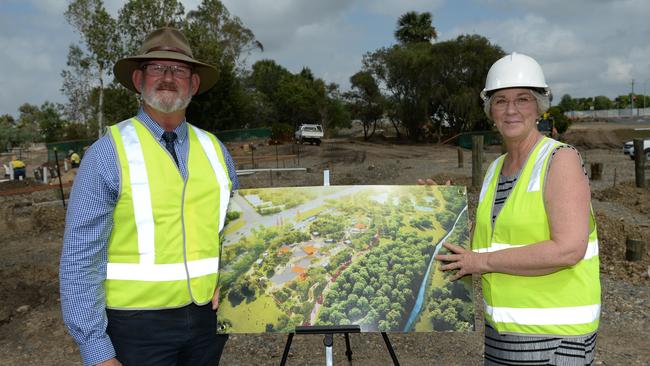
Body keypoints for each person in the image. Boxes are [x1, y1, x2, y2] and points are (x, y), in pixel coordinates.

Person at [60, 27, 240, 366]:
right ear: (139, 80)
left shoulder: (216, 150)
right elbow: (80, 257)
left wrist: (229, 278)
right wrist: (95, 348)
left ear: (194, 84)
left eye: (179, 70)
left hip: (207, 322)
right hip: (136, 328)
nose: (168, 77)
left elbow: (238, 230)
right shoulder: (107, 153)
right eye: (158, 68)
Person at [435, 53, 600, 365]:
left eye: (522, 99)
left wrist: (481, 262)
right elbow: (482, 247)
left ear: (538, 107)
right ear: (490, 111)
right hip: (503, 334)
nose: (511, 110)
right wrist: (435, 208)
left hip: (556, 340)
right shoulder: (496, 168)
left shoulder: (559, 159)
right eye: (500, 101)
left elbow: (568, 250)